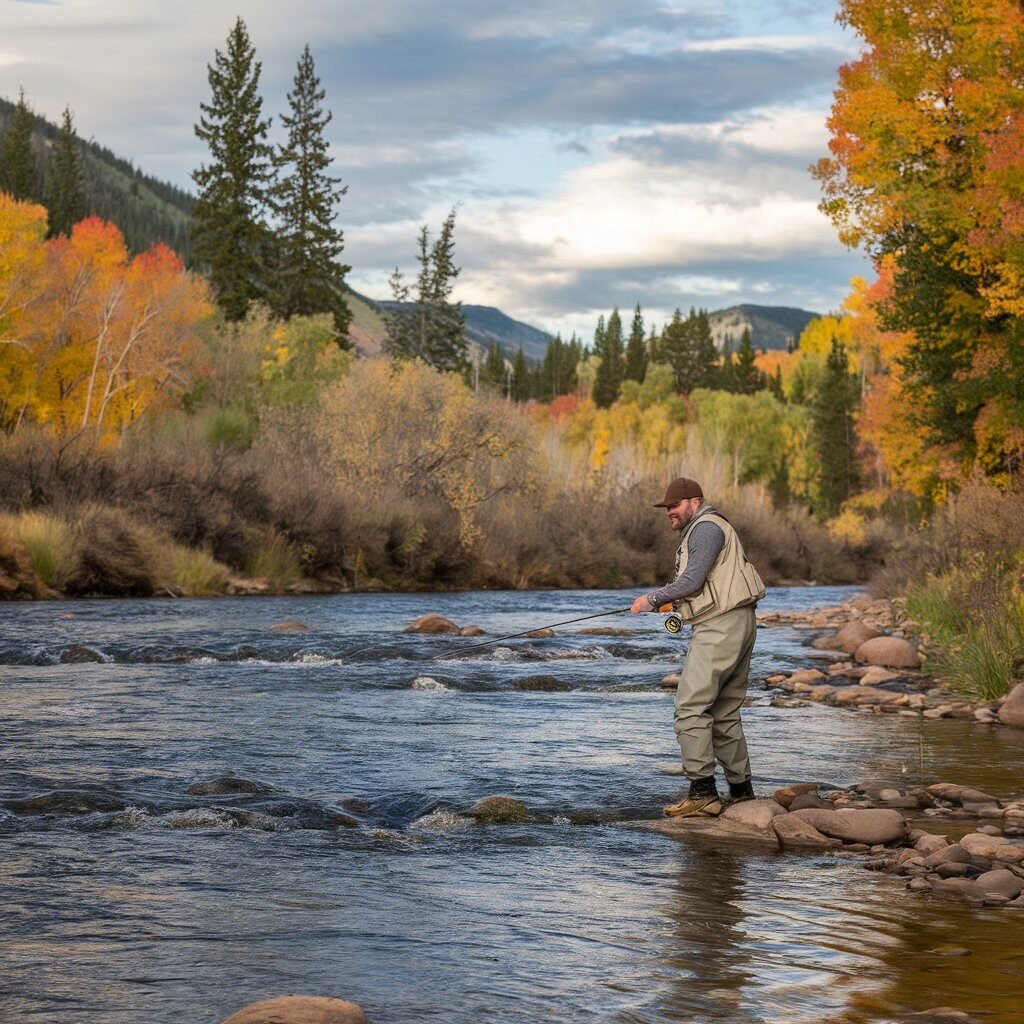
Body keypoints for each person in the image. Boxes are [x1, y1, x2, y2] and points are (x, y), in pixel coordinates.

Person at [630, 477, 765, 818]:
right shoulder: (712, 526)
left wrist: (652, 599)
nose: (670, 513)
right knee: (723, 712)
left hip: (720, 627)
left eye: (674, 506)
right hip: (740, 622)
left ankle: (702, 793)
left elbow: (691, 581)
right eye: (667, 508)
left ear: (694, 501)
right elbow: (702, 585)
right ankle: (742, 794)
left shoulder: (705, 528)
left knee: (690, 707)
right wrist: (670, 605)